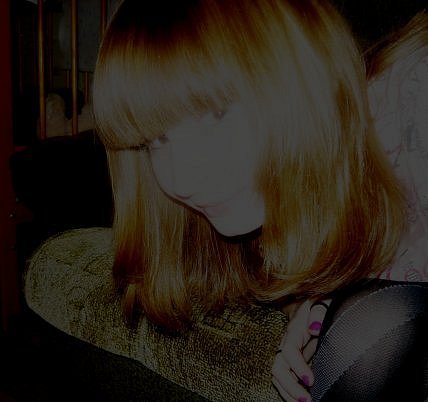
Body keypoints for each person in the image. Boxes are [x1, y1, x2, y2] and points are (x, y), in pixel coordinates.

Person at [92, 1, 427, 401]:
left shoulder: (415, 95)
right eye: (156, 140)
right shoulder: (258, 205)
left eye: (215, 114)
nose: (182, 180)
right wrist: (320, 298)